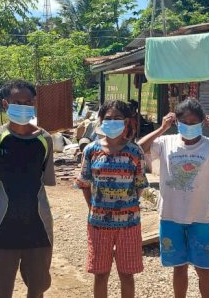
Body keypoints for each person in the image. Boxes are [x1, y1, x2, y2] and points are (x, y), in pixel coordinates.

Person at [137, 98, 209, 298]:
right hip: (171, 216)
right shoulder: (166, 142)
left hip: (200, 218)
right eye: (185, 122)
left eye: (194, 123)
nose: (189, 126)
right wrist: (163, 128)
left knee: (204, 269)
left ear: (201, 123)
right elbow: (139, 148)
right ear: (177, 122)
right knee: (179, 267)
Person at [0, 79, 56, 298]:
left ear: (34, 103)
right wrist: (2, 205)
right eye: (16, 101)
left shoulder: (44, 140)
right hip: (1, 230)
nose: (23, 106)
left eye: (27, 102)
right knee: (0, 291)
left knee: (37, 289)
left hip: (38, 229)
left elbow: (43, 181)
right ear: (5, 104)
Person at [75, 100, 148, 298]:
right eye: (108, 118)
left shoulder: (135, 152)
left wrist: (126, 205)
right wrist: (93, 207)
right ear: (100, 121)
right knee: (101, 274)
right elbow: (84, 183)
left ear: (126, 122)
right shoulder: (91, 150)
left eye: (118, 119)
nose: (112, 122)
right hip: (98, 223)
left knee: (126, 274)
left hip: (129, 223)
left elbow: (139, 186)